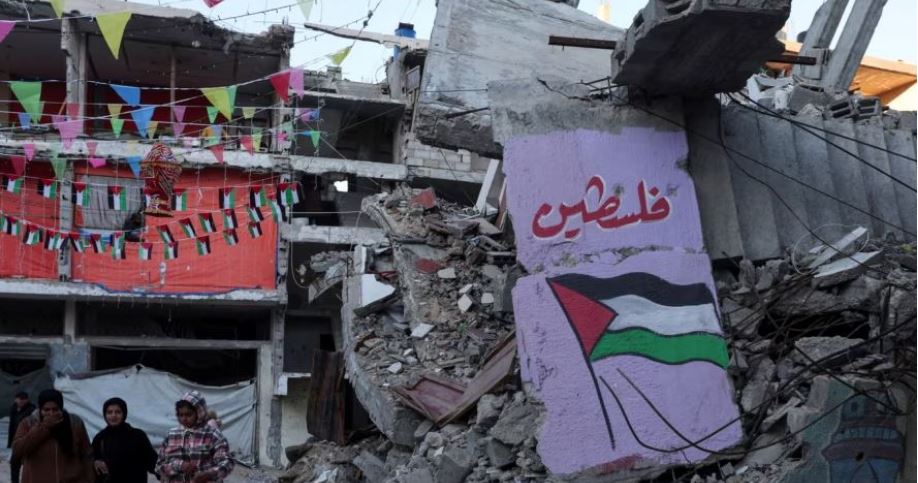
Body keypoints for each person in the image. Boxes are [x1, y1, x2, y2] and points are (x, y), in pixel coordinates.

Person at [11, 389, 94, 483]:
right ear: (40, 409)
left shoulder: (74, 423)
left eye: (55, 409)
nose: (51, 414)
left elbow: (87, 453)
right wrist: (43, 428)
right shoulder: (28, 423)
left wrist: (90, 479)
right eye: (46, 410)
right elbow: (17, 450)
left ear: (61, 408)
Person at [156, 391, 234, 482]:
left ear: (199, 412)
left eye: (188, 414)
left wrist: (209, 474)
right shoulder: (172, 435)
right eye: (181, 415)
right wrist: (178, 465)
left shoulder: (212, 434)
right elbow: (159, 466)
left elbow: (227, 462)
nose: (184, 419)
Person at [91, 397, 158, 483]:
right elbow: (90, 459)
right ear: (105, 415)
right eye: (109, 412)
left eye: (118, 412)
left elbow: (152, 461)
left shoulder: (137, 436)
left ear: (124, 414)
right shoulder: (100, 438)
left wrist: (166, 476)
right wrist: (96, 461)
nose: (113, 415)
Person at [7, 391, 36, 483]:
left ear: (26, 400)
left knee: (30, 463)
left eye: (22, 399)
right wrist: (10, 443)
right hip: (17, 440)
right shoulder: (14, 408)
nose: (20, 401)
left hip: (27, 440)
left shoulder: (31, 409)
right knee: (14, 463)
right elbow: (11, 426)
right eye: (19, 399)